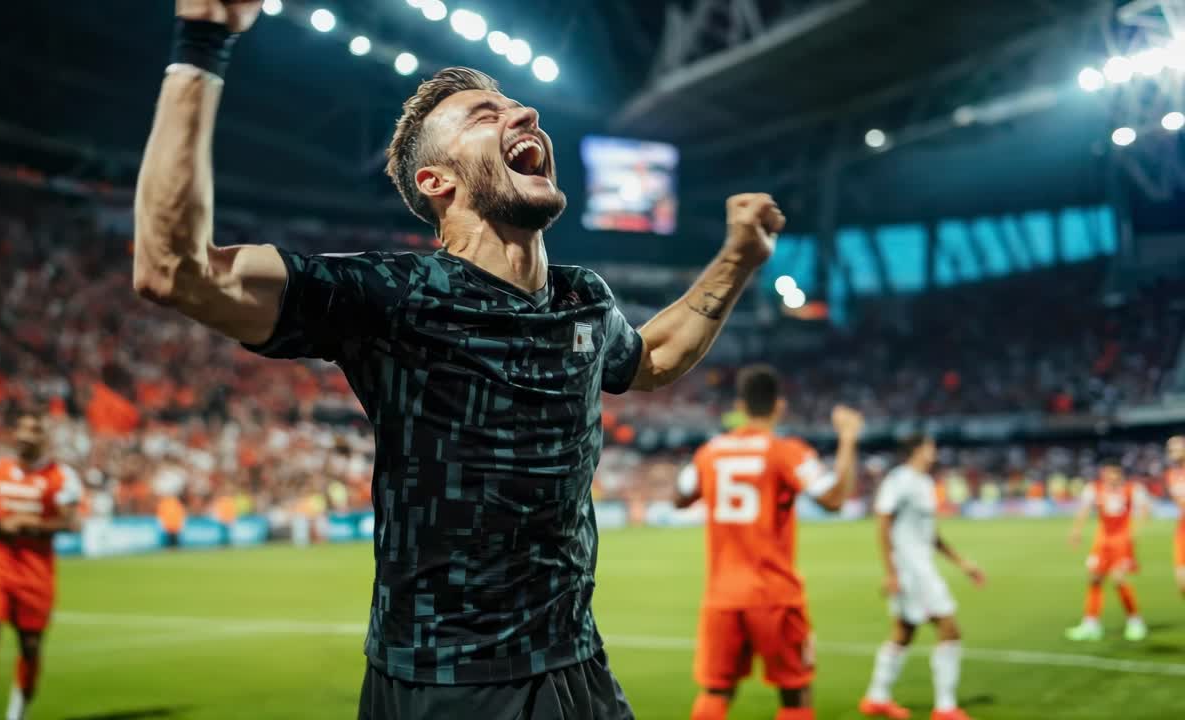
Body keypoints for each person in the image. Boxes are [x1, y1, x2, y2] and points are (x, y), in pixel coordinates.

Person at [134, 2, 785, 716]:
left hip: (578, 666)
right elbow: (175, 270)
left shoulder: (583, 300)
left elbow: (652, 357)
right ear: (436, 183)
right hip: (446, 683)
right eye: (483, 116)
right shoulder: (394, 297)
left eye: (517, 108)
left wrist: (739, 258)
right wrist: (202, 42)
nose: (526, 114)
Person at [674, 365, 863, 720]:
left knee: (716, 690)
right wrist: (849, 437)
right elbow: (834, 499)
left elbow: (679, 497)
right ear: (779, 406)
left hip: (722, 596)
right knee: (795, 691)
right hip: (774, 594)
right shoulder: (786, 452)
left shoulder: (710, 452)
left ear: (740, 406)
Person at [0, 411, 82, 720]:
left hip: (35, 565)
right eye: (21, 429)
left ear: (44, 437)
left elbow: (71, 522)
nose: (25, 436)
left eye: (33, 430)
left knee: (30, 645)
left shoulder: (62, 476)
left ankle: (17, 714)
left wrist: (27, 523)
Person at [859, 434, 984, 720]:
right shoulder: (899, 480)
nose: (934, 453)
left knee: (904, 631)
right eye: (930, 448)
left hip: (920, 566)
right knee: (949, 629)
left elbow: (930, 534)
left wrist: (961, 562)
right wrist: (891, 573)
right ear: (916, 451)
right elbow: (883, 524)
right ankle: (945, 707)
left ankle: (876, 698)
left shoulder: (925, 483)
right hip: (911, 571)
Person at [1065, 458, 1149, 642]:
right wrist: (1076, 531)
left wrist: (1135, 532)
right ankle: (1091, 624)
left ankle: (1135, 621)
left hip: (1122, 540)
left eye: (1114, 473)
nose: (1110, 476)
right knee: (1094, 579)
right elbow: (1084, 509)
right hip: (1102, 540)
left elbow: (1144, 510)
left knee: (1118, 579)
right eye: (1107, 472)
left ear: (1120, 473)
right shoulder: (1094, 488)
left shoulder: (1132, 489)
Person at [1166, 435, 1185, 597]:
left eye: (1176, 448)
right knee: (1182, 584)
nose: (1172, 452)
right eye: (1170, 449)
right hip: (1183, 529)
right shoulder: (1171, 475)